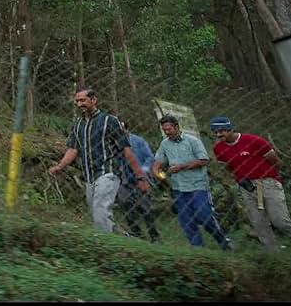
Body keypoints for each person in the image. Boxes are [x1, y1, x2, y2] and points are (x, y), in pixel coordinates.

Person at [49, 89, 150, 233]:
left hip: (108, 173)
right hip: (89, 177)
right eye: (77, 101)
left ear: (93, 100)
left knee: (101, 212)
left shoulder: (110, 120)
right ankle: (124, 239)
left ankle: (108, 248)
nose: (79, 104)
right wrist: (60, 166)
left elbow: (126, 150)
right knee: (99, 216)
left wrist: (141, 177)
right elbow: (73, 149)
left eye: (83, 100)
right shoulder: (78, 124)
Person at [211, 116, 291, 251]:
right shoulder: (219, 148)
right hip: (246, 186)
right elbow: (227, 167)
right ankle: (273, 252)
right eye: (215, 132)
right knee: (258, 222)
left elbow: (277, 162)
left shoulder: (254, 140)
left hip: (267, 182)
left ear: (230, 128)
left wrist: (269, 177)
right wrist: (240, 179)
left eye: (222, 131)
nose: (219, 135)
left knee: (280, 220)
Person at [153, 115, 234, 250]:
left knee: (205, 215)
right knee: (186, 220)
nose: (167, 132)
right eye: (164, 130)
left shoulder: (192, 141)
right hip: (179, 188)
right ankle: (198, 248)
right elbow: (158, 163)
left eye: (169, 129)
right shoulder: (164, 144)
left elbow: (204, 160)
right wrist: (157, 172)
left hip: (198, 186)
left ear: (177, 127)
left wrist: (181, 167)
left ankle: (224, 241)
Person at [115, 120, 161, 242]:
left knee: (146, 208)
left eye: (121, 128)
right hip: (124, 179)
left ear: (126, 129)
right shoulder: (114, 143)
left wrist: (143, 171)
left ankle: (154, 236)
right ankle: (136, 233)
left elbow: (150, 157)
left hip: (141, 177)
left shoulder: (138, 141)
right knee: (124, 204)